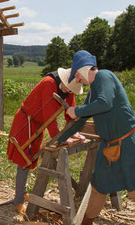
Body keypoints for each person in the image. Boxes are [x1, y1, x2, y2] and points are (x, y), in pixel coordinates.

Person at [57, 50, 135, 225]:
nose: (77, 79)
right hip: (110, 146)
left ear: (84, 67)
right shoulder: (92, 91)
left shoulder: (104, 76)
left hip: (128, 143)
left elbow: (105, 104)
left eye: (77, 75)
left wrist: (76, 110)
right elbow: (83, 119)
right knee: (99, 187)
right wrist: (58, 140)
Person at [7, 68, 83, 215]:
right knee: (24, 160)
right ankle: (18, 201)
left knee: (30, 159)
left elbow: (70, 110)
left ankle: (22, 193)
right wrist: (60, 138)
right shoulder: (49, 83)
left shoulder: (69, 89)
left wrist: (74, 132)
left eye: (71, 91)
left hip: (37, 125)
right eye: (68, 88)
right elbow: (50, 116)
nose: (68, 92)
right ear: (64, 79)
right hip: (26, 122)